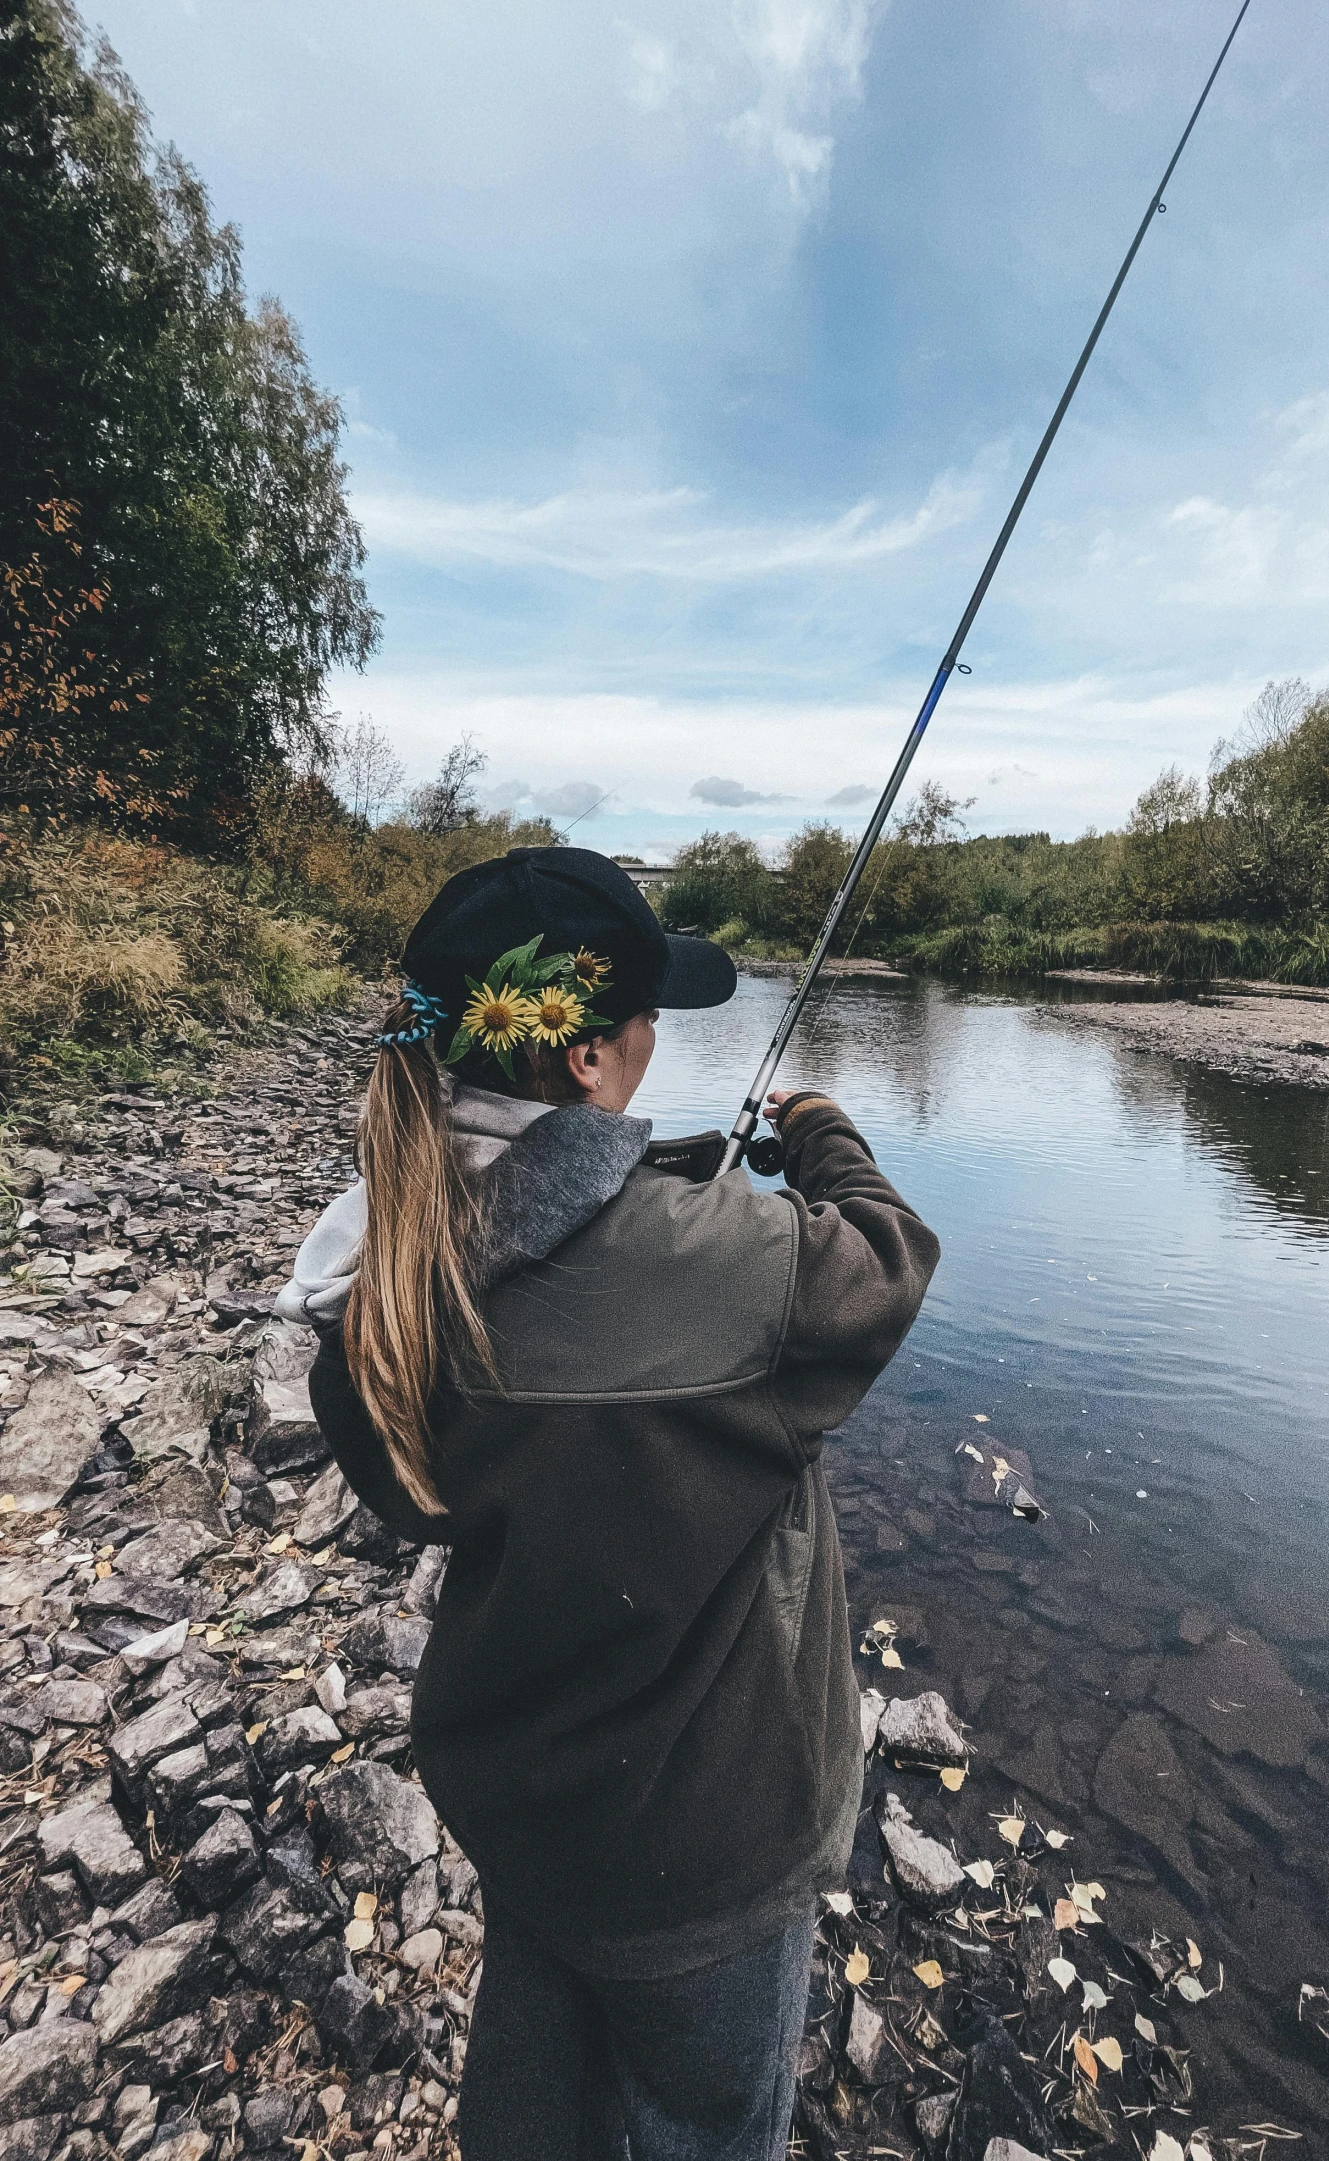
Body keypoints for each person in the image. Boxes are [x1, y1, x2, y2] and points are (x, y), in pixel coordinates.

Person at [278, 846, 939, 2160]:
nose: (651, 1035)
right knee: (696, 2125)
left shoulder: (377, 1270)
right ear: (584, 1057)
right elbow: (884, 1262)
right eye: (645, 1012)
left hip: (523, 1803)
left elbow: (413, 1500)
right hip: (706, 1849)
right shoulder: (716, 1258)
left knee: (537, 2111)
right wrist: (815, 1130)